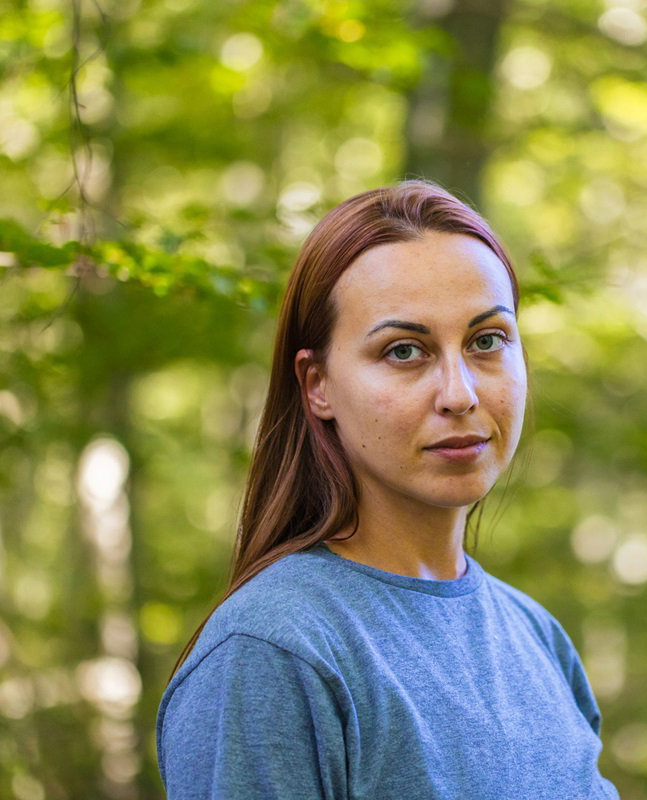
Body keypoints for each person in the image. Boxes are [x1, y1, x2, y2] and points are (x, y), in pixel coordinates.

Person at [155, 180, 619, 799]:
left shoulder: (537, 638)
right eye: (405, 351)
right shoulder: (274, 652)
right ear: (317, 384)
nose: (460, 394)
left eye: (487, 341)